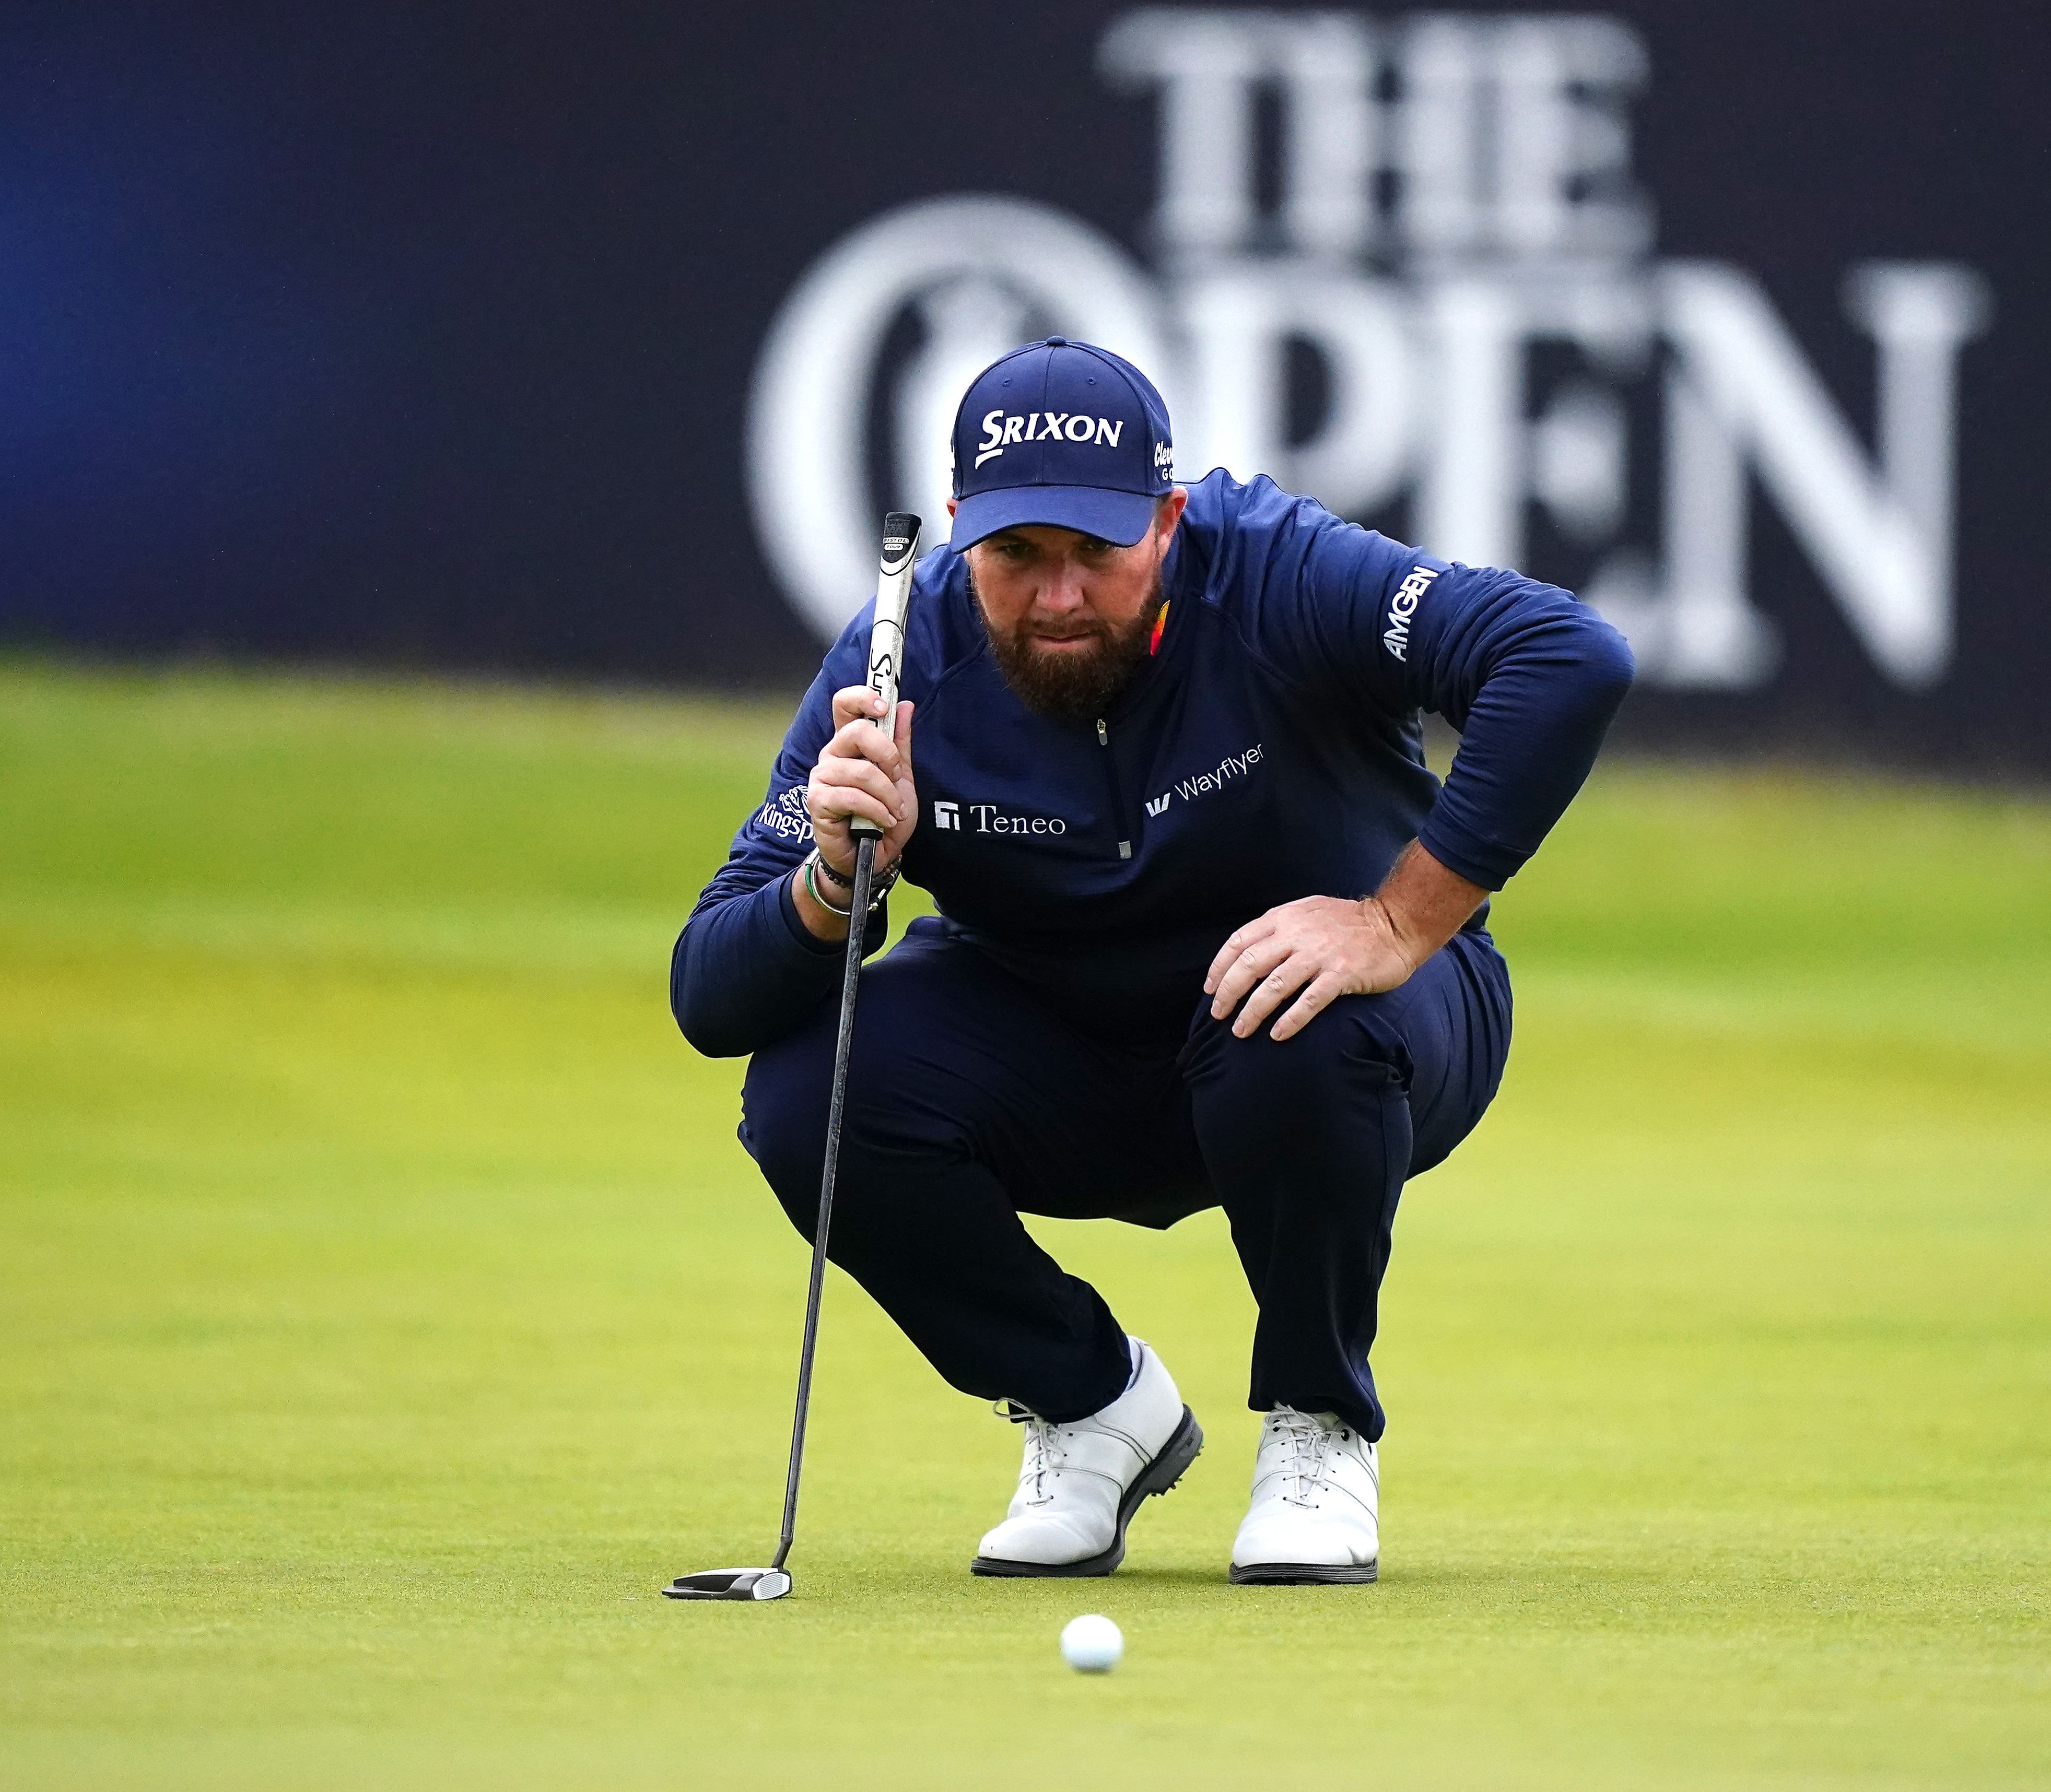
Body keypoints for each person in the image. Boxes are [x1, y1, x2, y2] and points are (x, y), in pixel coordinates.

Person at [671, 337, 1632, 1584]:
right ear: (962, 530)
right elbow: (710, 991)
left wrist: (1398, 917)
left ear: (1169, 522)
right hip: (1065, 1047)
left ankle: (1318, 1423)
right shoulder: (899, 663)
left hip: (1354, 1035)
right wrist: (834, 878)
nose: (1059, 596)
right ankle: (1089, 1405)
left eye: (1097, 554)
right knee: (812, 1089)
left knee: (1296, 1007)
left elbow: (1565, 655)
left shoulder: (1282, 572)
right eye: (1019, 556)